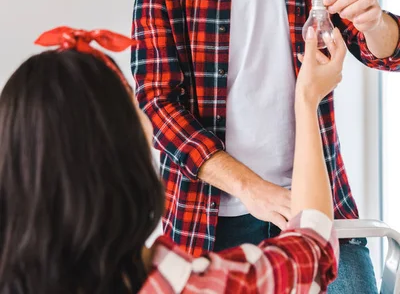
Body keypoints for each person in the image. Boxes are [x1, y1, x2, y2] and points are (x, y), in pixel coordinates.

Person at [131, 0, 400, 293]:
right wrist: (251, 190)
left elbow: (387, 54)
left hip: (318, 208)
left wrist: (376, 20)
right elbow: (157, 105)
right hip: (209, 224)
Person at [0, 24, 342, 293]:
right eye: (138, 112)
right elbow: (313, 246)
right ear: (123, 157)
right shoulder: (192, 286)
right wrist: (308, 99)